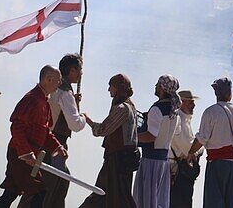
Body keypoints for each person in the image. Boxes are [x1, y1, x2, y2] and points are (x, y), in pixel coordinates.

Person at [0, 66, 65, 208]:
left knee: (11, 192)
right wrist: (26, 153)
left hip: (25, 154)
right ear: (48, 79)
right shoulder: (32, 99)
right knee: (38, 191)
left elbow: (44, 132)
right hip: (20, 155)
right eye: (58, 80)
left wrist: (57, 146)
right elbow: (17, 126)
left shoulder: (44, 101)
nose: (60, 83)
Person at [187, 77, 233, 208]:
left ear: (216, 93)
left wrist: (191, 152)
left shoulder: (211, 112)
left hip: (216, 165)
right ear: (230, 93)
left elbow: (201, 139)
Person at [81, 74, 138, 208]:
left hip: (118, 161)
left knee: (117, 198)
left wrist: (87, 119)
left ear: (118, 88)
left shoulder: (122, 109)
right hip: (119, 159)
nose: (108, 90)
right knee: (106, 195)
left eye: (110, 86)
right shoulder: (130, 106)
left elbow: (102, 130)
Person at [132, 75, 182, 208]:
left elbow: (151, 136)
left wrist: (132, 138)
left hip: (151, 161)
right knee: (158, 200)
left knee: (146, 201)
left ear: (161, 88)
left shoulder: (156, 109)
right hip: (163, 161)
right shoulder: (174, 111)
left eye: (157, 84)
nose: (155, 86)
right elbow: (176, 131)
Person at [45, 54, 87, 208]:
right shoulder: (65, 93)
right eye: (79, 69)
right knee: (54, 186)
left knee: (59, 182)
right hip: (56, 143)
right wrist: (82, 117)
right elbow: (75, 125)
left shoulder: (54, 88)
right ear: (72, 70)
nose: (81, 73)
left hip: (46, 141)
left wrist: (74, 104)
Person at [169, 90, 199, 208]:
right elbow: (188, 148)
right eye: (190, 102)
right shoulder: (179, 120)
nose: (193, 105)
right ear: (181, 103)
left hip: (180, 170)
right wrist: (199, 148)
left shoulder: (183, 120)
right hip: (177, 171)